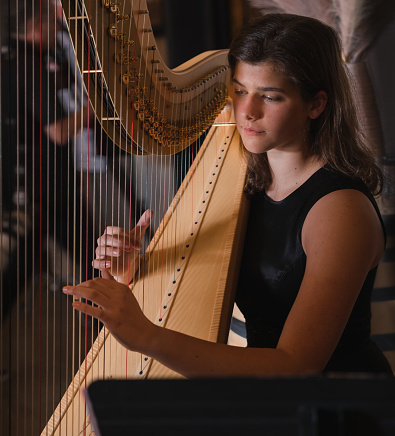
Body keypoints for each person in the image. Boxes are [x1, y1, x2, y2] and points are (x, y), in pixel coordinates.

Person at [63, 14, 393, 376]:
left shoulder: (340, 210)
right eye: (239, 91)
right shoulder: (249, 180)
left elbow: (296, 365)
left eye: (270, 96)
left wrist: (147, 338)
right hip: (267, 395)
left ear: (316, 104)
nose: (247, 112)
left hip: (334, 406)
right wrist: (135, 270)